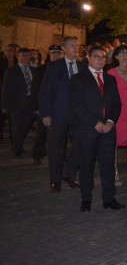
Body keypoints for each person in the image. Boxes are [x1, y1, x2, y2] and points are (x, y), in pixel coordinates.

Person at [69, 46, 123, 212]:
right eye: (96, 56)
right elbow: (76, 105)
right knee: (86, 165)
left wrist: (110, 122)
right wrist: (95, 122)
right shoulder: (78, 78)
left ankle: (109, 198)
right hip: (87, 129)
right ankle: (86, 199)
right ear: (89, 58)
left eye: (103, 57)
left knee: (108, 164)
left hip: (107, 129)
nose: (100, 59)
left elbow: (116, 104)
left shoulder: (111, 79)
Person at [40, 36, 86, 192]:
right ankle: (55, 180)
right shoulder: (54, 67)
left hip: (78, 116)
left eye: (77, 45)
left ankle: (70, 176)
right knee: (56, 149)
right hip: (57, 115)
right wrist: (45, 114)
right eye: (72, 45)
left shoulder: (82, 66)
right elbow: (45, 91)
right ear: (64, 49)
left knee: (78, 147)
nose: (76, 48)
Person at [107, 44, 127, 187]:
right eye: (121, 53)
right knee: (113, 142)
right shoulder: (111, 72)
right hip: (116, 110)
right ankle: (114, 173)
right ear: (116, 56)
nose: (124, 56)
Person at [2, 47, 41, 158]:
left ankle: (17, 145)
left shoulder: (34, 70)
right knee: (16, 127)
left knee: (25, 127)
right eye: (23, 56)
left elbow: (36, 88)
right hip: (16, 104)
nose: (25, 58)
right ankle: (17, 149)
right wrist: (4, 105)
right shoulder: (11, 71)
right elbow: (6, 89)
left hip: (30, 104)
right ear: (18, 57)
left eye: (27, 55)